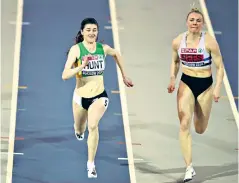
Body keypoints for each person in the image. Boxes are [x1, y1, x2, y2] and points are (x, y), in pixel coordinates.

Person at [62, 17, 133, 179]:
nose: (92, 33)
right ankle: (78, 129)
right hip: (80, 97)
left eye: (94, 30)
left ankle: (90, 164)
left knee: (93, 126)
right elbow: (65, 75)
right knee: (80, 129)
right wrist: (81, 66)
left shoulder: (103, 48)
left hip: (100, 96)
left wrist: (124, 75)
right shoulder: (77, 50)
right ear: (82, 32)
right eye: (88, 30)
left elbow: (116, 53)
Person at [167, 8, 224, 182]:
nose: (194, 23)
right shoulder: (178, 41)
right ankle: (189, 168)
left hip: (205, 86)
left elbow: (220, 67)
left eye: (198, 21)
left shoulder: (209, 42)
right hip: (187, 83)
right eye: (192, 20)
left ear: (202, 24)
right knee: (184, 124)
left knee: (199, 129)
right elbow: (175, 61)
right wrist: (172, 79)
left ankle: (199, 115)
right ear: (187, 22)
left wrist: (217, 88)